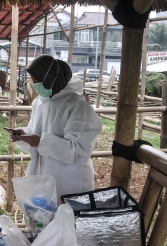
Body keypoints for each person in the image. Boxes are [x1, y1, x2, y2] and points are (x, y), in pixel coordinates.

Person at [10, 55, 102, 199]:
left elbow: (75, 150)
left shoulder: (77, 107)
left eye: (36, 80)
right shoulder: (40, 103)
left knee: (65, 218)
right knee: (42, 217)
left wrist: (40, 142)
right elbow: (35, 132)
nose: (34, 85)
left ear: (51, 79)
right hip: (42, 175)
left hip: (69, 181)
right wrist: (24, 135)